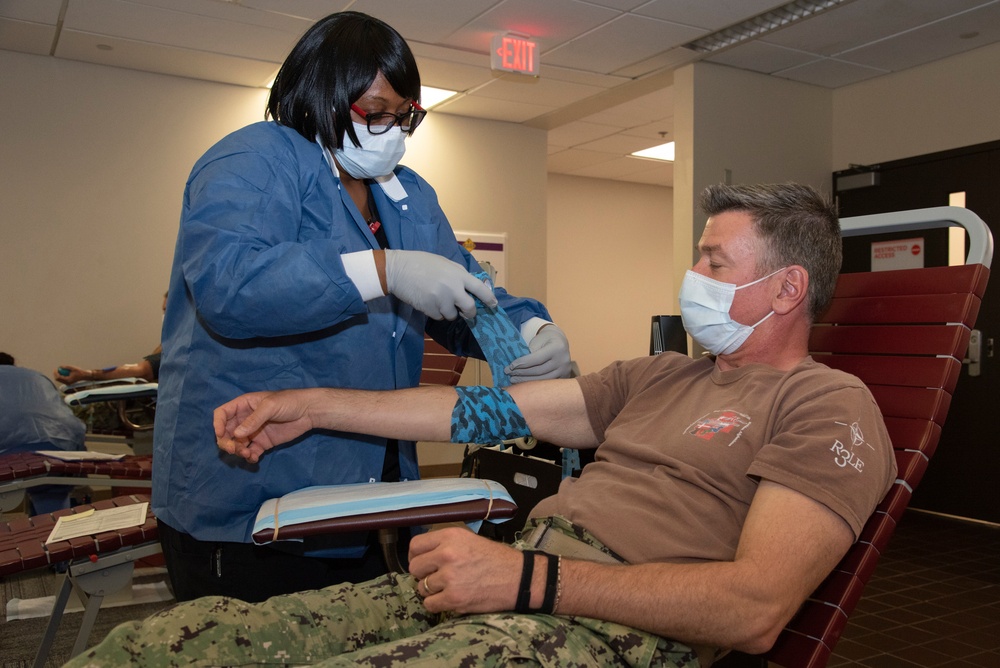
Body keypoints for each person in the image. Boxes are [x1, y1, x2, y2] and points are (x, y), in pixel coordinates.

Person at [71, 183, 896, 667]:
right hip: (516, 583)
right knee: (186, 639)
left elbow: (754, 609)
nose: (693, 277)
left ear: (788, 290)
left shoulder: (828, 405)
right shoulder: (659, 378)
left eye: (715, 262)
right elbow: (472, 407)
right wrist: (310, 407)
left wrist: (525, 582)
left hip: (608, 627)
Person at [152, 11, 572, 603]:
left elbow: (470, 291)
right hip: (251, 500)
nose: (394, 131)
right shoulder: (254, 159)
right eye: (377, 113)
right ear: (320, 93)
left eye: (407, 117)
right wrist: (384, 270)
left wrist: (530, 327)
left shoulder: (408, 194)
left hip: (370, 502)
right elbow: (231, 286)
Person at [0, 353, 87, 515]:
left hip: (8, 454)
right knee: (51, 498)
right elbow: (70, 424)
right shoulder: (36, 377)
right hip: (59, 450)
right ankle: (54, 529)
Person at [52, 292, 167, 385]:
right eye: (163, 311)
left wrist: (86, 374)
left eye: (167, 310)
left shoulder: (180, 348)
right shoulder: (168, 345)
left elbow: (143, 371)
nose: (165, 316)